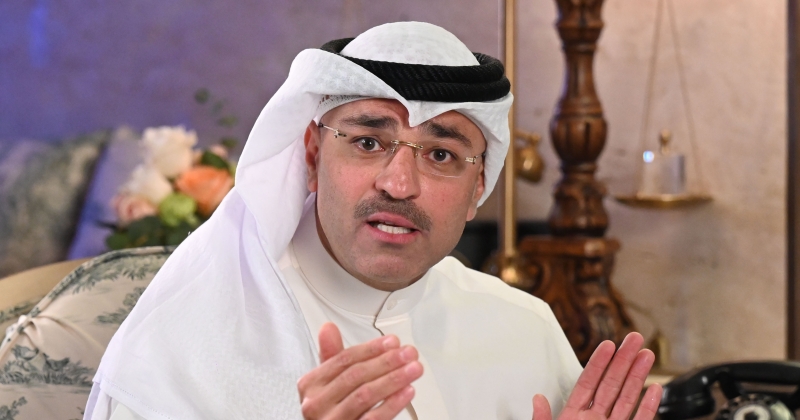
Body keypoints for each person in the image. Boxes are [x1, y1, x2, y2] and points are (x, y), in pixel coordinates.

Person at [84, 22, 662, 420]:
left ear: (477, 189)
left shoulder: (524, 329)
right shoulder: (182, 346)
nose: (398, 184)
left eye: (441, 154)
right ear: (313, 155)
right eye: (367, 142)